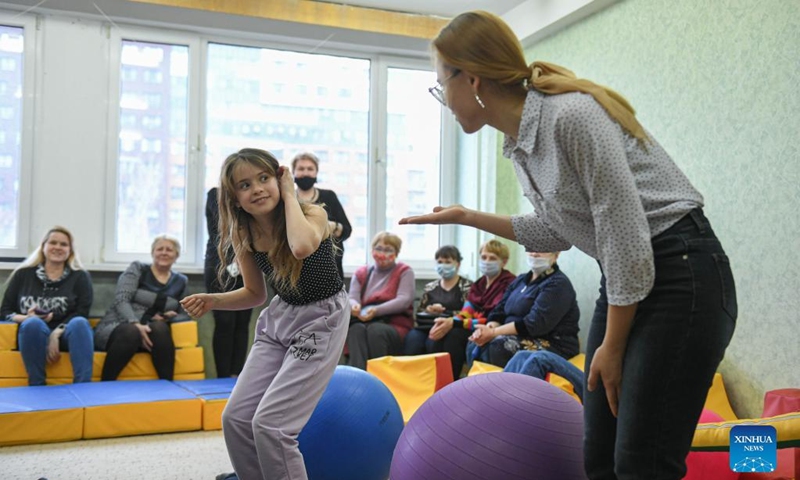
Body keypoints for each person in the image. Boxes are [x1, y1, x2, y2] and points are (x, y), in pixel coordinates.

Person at [401, 11, 737, 479]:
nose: (445, 100)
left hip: (681, 273)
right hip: (629, 276)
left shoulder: (570, 116)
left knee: (642, 463)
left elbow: (625, 235)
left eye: (442, 85)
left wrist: (614, 345)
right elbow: (559, 231)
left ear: (471, 77)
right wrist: (467, 216)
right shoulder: (519, 143)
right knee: (598, 455)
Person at [180, 148, 349, 480]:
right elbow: (255, 294)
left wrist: (288, 194)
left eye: (263, 178)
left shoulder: (311, 213)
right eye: (244, 185)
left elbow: (301, 247)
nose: (256, 189)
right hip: (280, 318)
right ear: (235, 200)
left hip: (322, 319)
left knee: (272, 426)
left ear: (279, 178)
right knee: (236, 418)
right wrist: (213, 299)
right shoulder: (243, 234)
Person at [469, 251, 584, 400]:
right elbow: (498, 311)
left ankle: (502, 398)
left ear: (556, 254)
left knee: (497, 346)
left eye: (542, 249)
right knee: (474, 343)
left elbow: (534, 325)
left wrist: (493, 333)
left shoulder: (558, 283)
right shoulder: (521, 280)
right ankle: (479, 395)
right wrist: (488, 329)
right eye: (531, 248)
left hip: (553, 342)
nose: (535, 253)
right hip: (513, 334)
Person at [0, 226, 93, 386]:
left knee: (80, 323)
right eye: (53, 243)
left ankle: (82, 388)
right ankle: (37, 385)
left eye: (63, 244)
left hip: (65, 334)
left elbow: (82, 312)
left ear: (70, 250)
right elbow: (5, 311)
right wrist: (27, 317)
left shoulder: (80, 276)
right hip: (32, 334)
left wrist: (55, 334)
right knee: (33, 323)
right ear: (43, 247)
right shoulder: (23, 274)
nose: (57, 247)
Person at [94, 235, 189, 381]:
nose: (164, 252)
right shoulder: (138, 269)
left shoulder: (181, 281)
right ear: (152, 253)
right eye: (160, 249)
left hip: (150, 330)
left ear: (176, 256)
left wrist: (168, 317)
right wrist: (136, 323)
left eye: (169, 250)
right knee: (132, 332)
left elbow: (185, 313)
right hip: (117, 326)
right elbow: (121, 300)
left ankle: (168, 388)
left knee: (160, 328)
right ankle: (105, 384)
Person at [346, 231, 415, 370]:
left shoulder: (404, 271)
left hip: (394, 323)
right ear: (372, 250)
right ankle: (359, 374)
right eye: (378, 248)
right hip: (364, 320)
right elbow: (352, 297)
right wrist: (354, 307)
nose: (383, 253)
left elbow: (404, 300)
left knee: (376, 331)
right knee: (355, 330)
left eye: (389, 250)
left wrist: (376, 311)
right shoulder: (361, 273)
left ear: (397, 252)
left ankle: (380, 376)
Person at [402, 245, 472, 380]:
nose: (443, 265)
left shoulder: (467, 286)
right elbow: (419, 312)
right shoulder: (430, 287)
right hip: (428, 325)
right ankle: (412, 381)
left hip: (453, 327)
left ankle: (445, 381)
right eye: (440, 262)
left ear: (458, 264)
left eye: (448, 262)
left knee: (436, 342)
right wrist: (429, 309)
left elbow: (470, 312)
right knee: (413, 339)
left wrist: (448, 314)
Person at [205, 187, 253, 378]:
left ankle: (236, 375)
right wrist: (236, 257)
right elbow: (223, 229)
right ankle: (222, 376)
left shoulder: (250, 195)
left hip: (247, 263)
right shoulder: (214, 194)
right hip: (220, 264)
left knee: (242, 323)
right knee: (225, 322)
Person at [292, 151, 352, 280]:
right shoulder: (288, 200)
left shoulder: (329, 197)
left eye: (310, 169)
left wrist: (331, 227)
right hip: (296, 269)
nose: (306, 173)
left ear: (316, 172)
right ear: (293, 172)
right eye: (301, 169)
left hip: (329, 269)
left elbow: (347, 230)